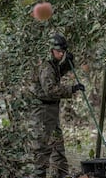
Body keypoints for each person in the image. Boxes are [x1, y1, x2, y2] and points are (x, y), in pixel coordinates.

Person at [29, 33, 85, 178]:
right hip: (43, 110)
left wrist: (66, 65)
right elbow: (51, 89)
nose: (61, 54)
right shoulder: (46, 66)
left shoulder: (53, 64)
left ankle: (62, 174)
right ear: (51, 50)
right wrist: (71, 89)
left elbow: (57, 74)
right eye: (58, 52)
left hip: (51, 110)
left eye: (62, 52)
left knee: (57, 145)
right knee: (42, 147)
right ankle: (39, 175)